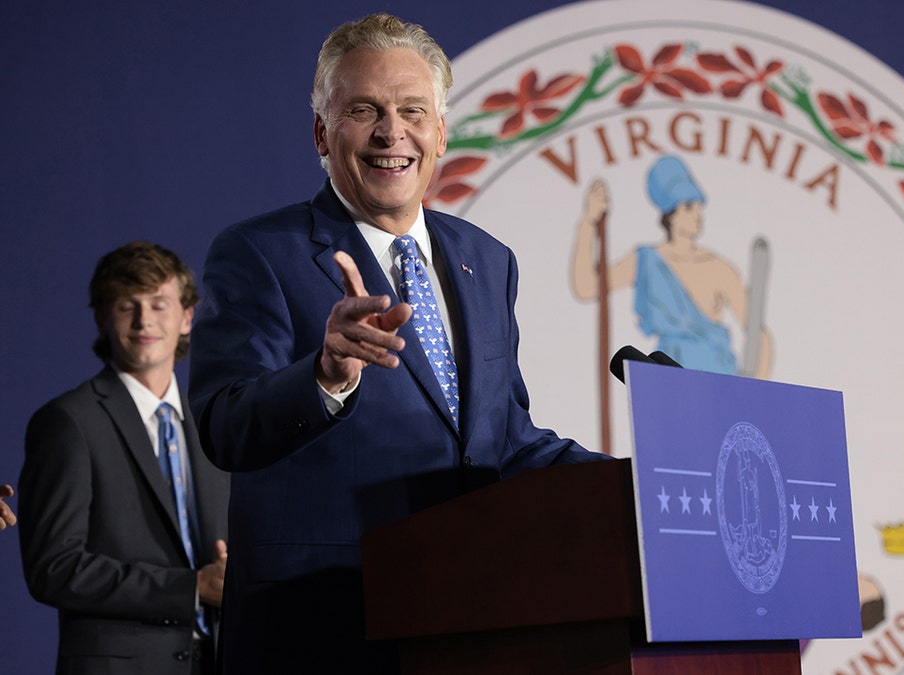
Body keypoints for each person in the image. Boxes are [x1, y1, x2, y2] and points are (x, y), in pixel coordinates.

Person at [188, 14, 607, 673]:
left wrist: (631, 487)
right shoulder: (258, 253)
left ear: (441, 133)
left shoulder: (485, 259)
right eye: (365, 109)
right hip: (318, 634)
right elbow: (223, 423)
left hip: (468, 624)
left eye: (413, 110)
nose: (393, 132)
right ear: (322, 133)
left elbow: (503, 440)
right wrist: (326, 376)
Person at [19, 241, 230, 675]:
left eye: (159, 304)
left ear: (188, 317)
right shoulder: (66, 422)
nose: (144, 320)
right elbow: (53, 568)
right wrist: (191, 587)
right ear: (100, 318)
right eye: (125, 306)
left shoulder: (214, 415)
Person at [571, 155, 773, 377]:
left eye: (698, 206)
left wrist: (755, 394)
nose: (698, 214)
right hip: (667, 384)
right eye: (688, 206)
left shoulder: (718, 268)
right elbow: (587, 286)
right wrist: (588, 223)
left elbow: (759, 337)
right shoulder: (646, 260)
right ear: (670, 213)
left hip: (717, 385)